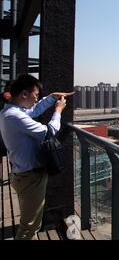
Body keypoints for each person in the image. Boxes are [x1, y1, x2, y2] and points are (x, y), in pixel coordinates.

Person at [0, 75, 74, 240]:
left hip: (22, 174)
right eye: (35, 95)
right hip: (30, 177)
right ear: (24, 94)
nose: (36, 99)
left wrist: (51, 98)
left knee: (29, 221)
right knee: (30, 226)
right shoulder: (15, 116)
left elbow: (33, 110)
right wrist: (58, 110)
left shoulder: (11, 111)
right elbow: (49, 132)